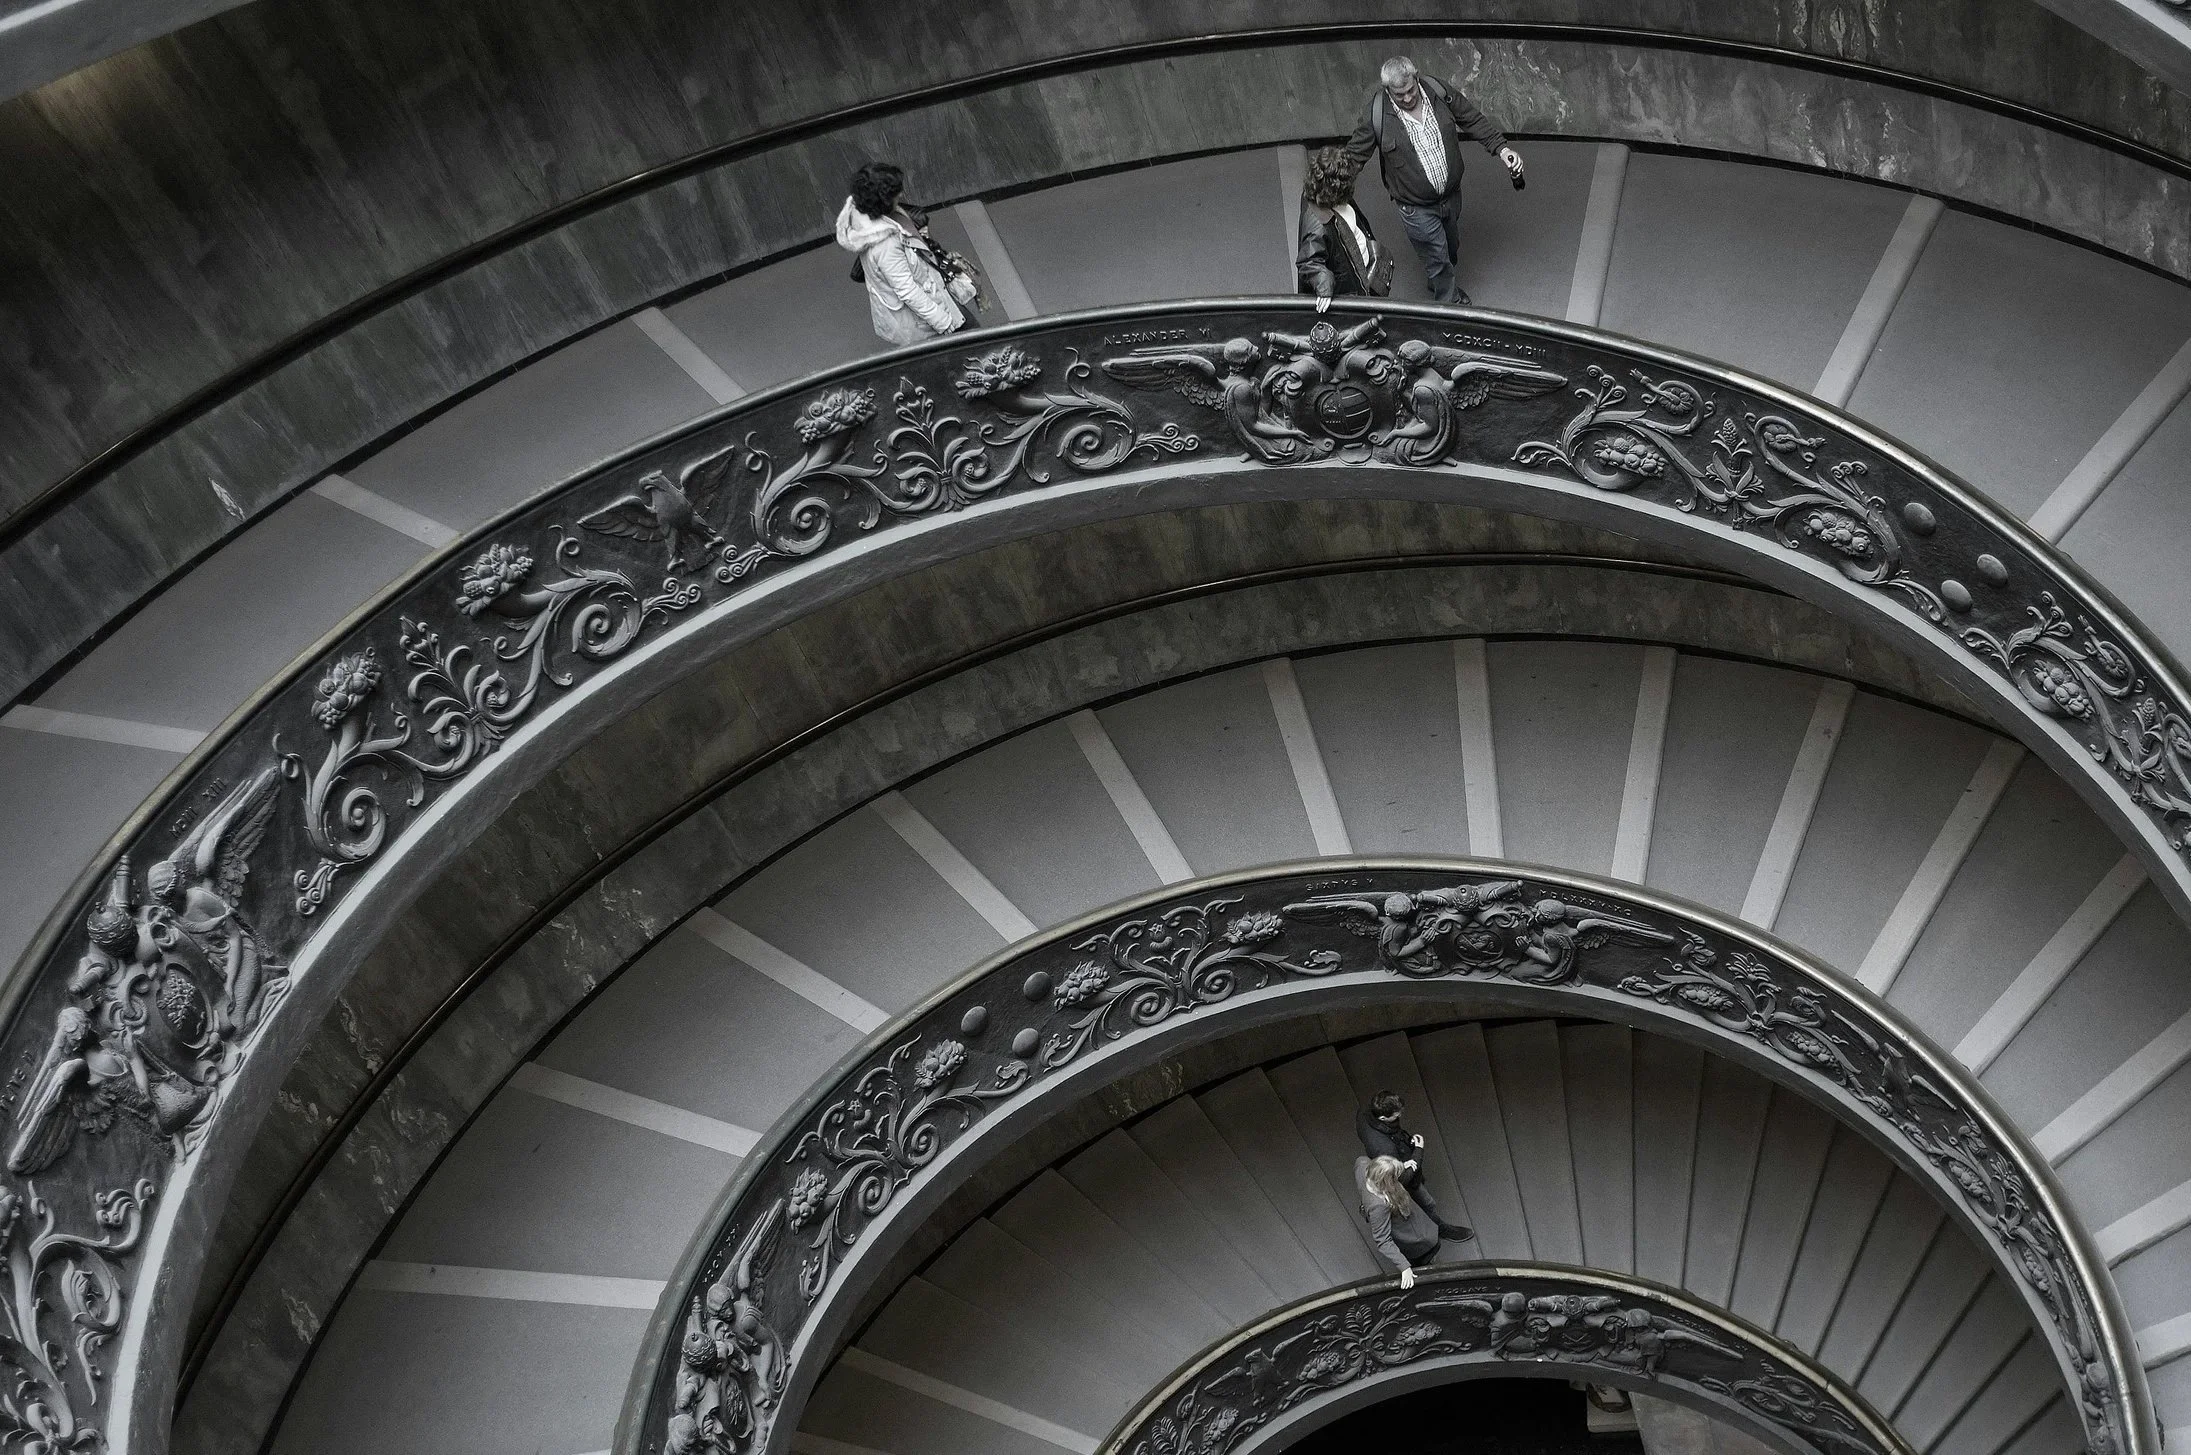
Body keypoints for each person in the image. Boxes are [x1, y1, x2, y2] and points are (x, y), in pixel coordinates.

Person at [1341, 56, 1524, 305]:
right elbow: (1353, 157)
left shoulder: (1439, 91)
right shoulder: (1376, 114)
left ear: (1416, 78)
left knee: (1450, 248)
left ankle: (1437, 276)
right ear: (1387, 90)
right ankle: (1450, 307)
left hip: (1451, 197)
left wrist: (1502, 150)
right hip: (1415, 208)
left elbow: (1471, 118)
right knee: (1437, 258)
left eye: (1410, 90)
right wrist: (1332, 189)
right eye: (1399, 95)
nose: (1407, 98)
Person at [836, 161, 978, 346]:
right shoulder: (885, 246)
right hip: (926, 318)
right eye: (896, 192)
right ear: (884, 201)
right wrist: (943, 322)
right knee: (973, 344)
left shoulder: (867, 210)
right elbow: (907, 290)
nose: (901, 194)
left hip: (933, 293)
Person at [1358, 1090, 1472, 1242]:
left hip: (1394, 1154)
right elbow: (1403, 1179)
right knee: (1427, 1202)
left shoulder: (1364, 1112)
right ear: (1383, 1118)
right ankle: (1439, 1229)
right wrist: (1418, 1151)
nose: (1400, 1116)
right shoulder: (1384, 1148)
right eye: (1397, 1116)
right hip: (1400, 1178)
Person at [1297, 146, 1392, 312]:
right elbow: (1309, 261)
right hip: (1349, 284)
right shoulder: (1317, 225)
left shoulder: (1327, 196)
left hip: (1354, 269)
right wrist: (1324, 284)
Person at [1358, 1154, 1449, 1288]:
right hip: (1418, 1241)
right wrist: (1405, 1267)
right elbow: (1382, 1240)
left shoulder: (1363, 1167)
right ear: (1386, 1183)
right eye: (1395, 1177)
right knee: (1427, 1259)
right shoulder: (1379, 1206)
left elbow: (1360, 1160)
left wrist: (1400, 1166)